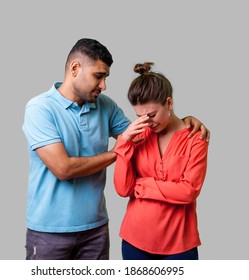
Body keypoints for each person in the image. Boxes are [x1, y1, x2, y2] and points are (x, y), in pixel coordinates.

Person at [22, 39, 209, 260]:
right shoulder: (40, 108)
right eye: (98, 76)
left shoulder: (106, 106)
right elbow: (63, 168)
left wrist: (186, 120)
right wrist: (118, 152)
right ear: (75, 68)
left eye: (105, 78)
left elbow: (143, 132)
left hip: (96, 229)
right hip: (49, 232)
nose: (103, 86)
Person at [114, 62, 209, 260]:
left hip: (179, 244)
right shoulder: (139, 136)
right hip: (134, 240)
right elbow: (123, 189)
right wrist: (124, 141)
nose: (147, 122)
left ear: (169, 103)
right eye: (140, 116)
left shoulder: (195, 138)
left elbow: (188, 192)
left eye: (151, 115)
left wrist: (143, 185)